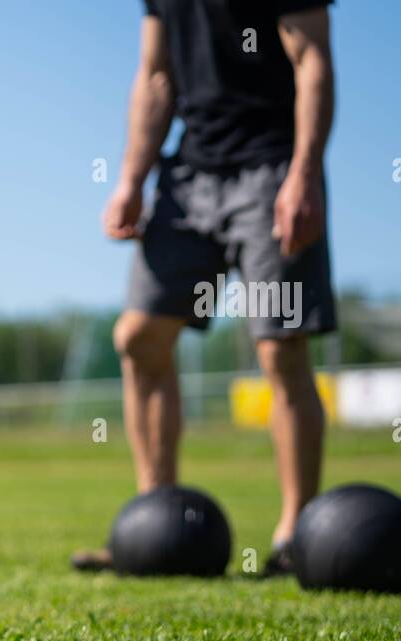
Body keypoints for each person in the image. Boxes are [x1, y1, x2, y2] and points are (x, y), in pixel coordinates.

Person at [77, 0, 336, 575]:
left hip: (272, 170)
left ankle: (298, 535)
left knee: (280, 346)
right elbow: (155, 75)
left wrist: (305, 173)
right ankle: (151, 522)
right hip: (189, 175)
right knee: (138, 336)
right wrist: (130, 179)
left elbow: (312, 57)